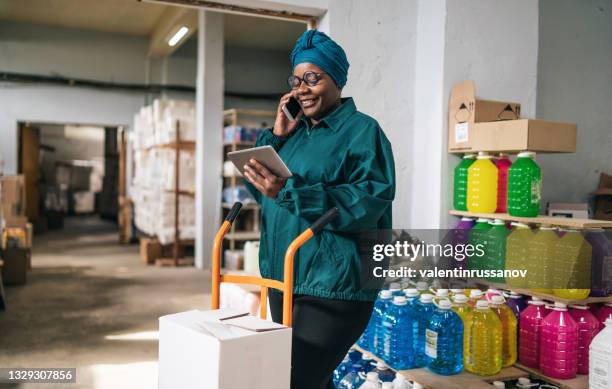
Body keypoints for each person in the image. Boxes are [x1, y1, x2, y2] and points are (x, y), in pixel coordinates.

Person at [243, 29, 395, 389]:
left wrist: (292, 191)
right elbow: (266, 189)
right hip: (286, 278)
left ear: (337, 79)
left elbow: (364, 205)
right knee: (313, 381)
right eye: (296, 80)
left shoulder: (363, 132)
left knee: (292, 380)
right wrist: (277, 137)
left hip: (335, 285)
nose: (302, 88)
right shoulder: (294, 135)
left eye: (313, 78)